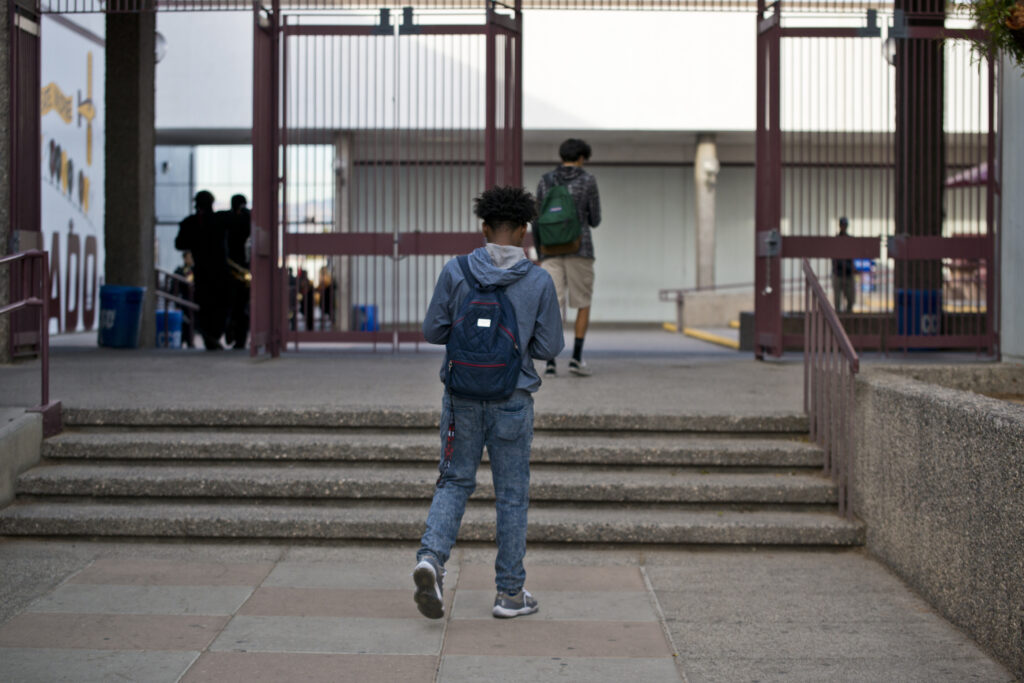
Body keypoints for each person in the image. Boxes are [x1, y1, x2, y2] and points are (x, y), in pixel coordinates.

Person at [414, 185, 563, 621]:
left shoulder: (456, 270)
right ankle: (510, 595)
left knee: (455, 481)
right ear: (524, 230)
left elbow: (432, 331)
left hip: (461, 397)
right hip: (512, 398)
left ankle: (431, 559)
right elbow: (551, 345)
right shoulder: (538, 279)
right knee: (512, 496)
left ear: (483, 227)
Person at [533, 138, 601, 377]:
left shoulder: (545, 180)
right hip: (579, 249)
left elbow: (537, 218)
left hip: (550, 250)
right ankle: (576, 359)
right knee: (582, 302)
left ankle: (550, 362)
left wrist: (540, 251)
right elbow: (595, 219)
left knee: (552, 304)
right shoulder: (587, 180)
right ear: (582, 158)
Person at [174, 190, 230, 350]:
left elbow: (179, 244)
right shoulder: (219, 219)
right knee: (220, 305)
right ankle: (213, 335)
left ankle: (210, 336)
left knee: (206, 306)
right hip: (218, 272)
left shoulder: (191, 223)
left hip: (203, 272)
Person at [221, 194, 251, 349]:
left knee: (239, 309)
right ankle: (234, 335)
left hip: (239, 269)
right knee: (236, 308)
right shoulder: (230, 219)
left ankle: (238, 338)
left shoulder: (244, 218)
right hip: (233, 267)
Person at [832, 216, 856, 314]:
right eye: (842, 225)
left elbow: (852, 255)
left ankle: (848, 313)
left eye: (845, 225)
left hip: (848, 274)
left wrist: (851, 267)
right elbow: (834, 258)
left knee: (851, 298)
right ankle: (837, 316)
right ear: (840, 226)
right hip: (838, 273)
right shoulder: (836, 240)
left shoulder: (850, 239)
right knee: (837, 299)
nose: (844, 227)